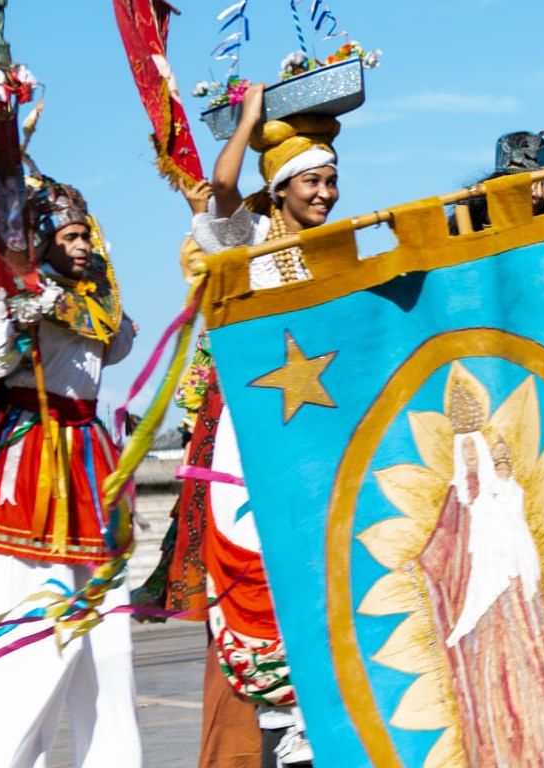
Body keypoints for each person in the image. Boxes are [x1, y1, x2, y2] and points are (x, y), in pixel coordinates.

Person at [183, 83, 337, 767]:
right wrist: (249, 121)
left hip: (316, 439)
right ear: (278, 189)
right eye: (313, 180)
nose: (327, 192)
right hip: (252, 444)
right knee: (260, 581)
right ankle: (281, 728)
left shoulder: (340, 255)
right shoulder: (246, 245)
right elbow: (220, 191)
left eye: (334, 179)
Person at [0, 176, 141, 767]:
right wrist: (16, 315)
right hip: (38, 460)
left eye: (85, 233)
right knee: (38, 625)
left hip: (92, 461)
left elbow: (115, 348)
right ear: (43, 241)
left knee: (108, 634)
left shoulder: (97, 299)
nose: (83, 243)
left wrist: (97, 295)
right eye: (69, 234)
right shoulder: (24, 294)